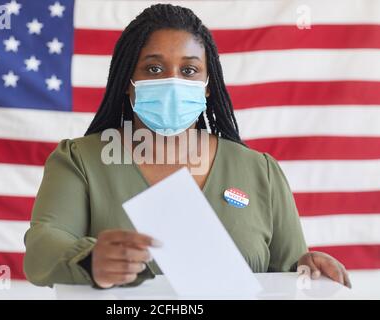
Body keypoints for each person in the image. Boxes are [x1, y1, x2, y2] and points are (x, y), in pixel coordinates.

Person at [23, 4, 351, 289]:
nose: (173, 81)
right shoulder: (80, 160)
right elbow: (41, 248)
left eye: (189, 70)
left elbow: (289, 274)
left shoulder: (259, 171)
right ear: (128, 81)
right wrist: (89, 260)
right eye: (154, 68)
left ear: (208, 87)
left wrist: (310, 270)